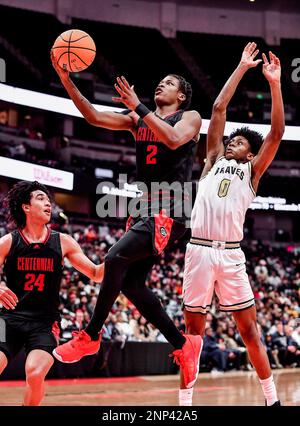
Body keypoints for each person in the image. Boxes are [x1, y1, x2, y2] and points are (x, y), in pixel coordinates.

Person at [51, 52, 203, 389]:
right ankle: (183, 344)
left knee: (114, 257)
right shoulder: (137, 120)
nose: (161, 84)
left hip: (172, 207)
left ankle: (91, 335)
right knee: (132, 286)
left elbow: (174, 139)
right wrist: (66, 80)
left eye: (169, 83)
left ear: (180, 95)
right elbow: (92, 115)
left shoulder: (189, 116)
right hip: (145, 207)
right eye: (160, 81)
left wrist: (139, 107)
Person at [181, 42, 284, 406]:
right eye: (230, 140)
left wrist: (274, 84)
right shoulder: (211, 159)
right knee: (192, 333)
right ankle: (184, 403)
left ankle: (272, 400)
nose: (230, 144)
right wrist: (242, 67)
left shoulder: (252, 171)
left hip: (231, 254)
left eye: (238, 142)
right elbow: (218, 107)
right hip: (199, 250)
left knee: (249, 330)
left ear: (249, 153)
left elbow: (275, 134)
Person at [0, 180, 104, 406]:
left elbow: (96, 273)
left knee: (35, 373)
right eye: (40, 198)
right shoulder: (9, 241)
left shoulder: (63, 242)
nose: (48, 203)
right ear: (26, 207)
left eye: (49, 200)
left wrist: (124, 250)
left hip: (45, 323)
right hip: (8, 318)